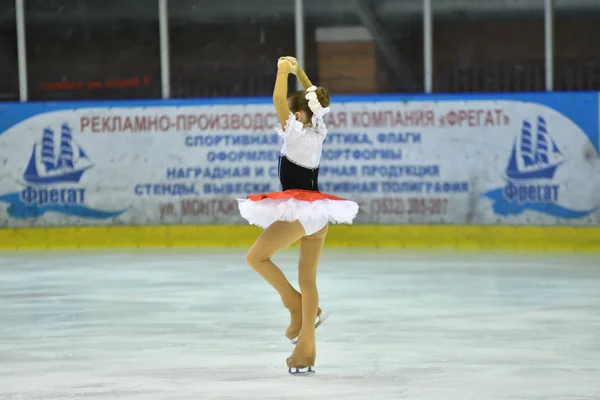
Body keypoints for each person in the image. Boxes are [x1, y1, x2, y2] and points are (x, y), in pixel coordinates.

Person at [237, 56, 359, 375]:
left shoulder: (295, 133)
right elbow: (315, 95)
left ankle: (293, 304)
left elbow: (279, 98)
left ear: (298, 115)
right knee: (308, 279)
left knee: (256, 258)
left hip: (301, 211)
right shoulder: (317, 128)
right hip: (319, 214)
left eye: (292, 112)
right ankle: (306, 349)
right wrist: (299, 73)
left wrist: (282, 71)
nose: (287, 114)